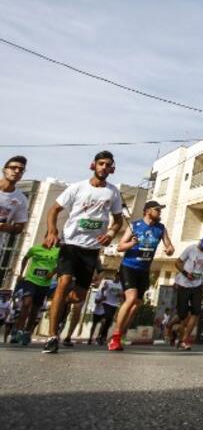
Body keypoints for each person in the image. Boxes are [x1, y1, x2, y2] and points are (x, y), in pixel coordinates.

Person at [42, 151, 124, 354]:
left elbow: (118, 220)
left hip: (92, 249)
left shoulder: (113, 193)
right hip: (70, 244)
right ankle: (53, 336)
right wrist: (52, 231)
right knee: (63, 282)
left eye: (108, 165)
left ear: (112, 169)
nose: (104, 167)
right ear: (93, 165)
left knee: (78, 296)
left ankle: (60, 306)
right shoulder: (77, 188)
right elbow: (53, 210)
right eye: (101, 164)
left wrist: (111, 233)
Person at [108, 200, 174, 351]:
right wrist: (131, 244)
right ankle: (116, 336)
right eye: (157, 209)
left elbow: (169, 245)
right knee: (131, 299)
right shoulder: (135, 226)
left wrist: (169, 249)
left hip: (144, 270)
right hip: (129, 267)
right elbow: (119, 247)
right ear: (148, 211)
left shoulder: (160, 228)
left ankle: (119, 333)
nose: (160, 212)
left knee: (136, 304)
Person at [14, 241, 60, 345]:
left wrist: (53, 273)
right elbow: (25, 258)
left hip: (44, 284)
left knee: (35, 309)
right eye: (48, 238)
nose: (50, 241)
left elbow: (62, 264)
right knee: (26, 303)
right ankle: (19, 330)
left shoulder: (57, 251)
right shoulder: (35, 248)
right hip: (31, 280)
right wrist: (21, 273)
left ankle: (27, 332)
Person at [174, 234, 203, 351]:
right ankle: (177, 333)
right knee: (182, 316)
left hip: (198, 284)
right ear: (200, 241)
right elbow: (177, 263)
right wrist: (186, 274)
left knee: (196, 312)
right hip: (184, 284)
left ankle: (184, 340)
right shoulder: (190, 249)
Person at [0, 156, 30, 287]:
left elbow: (19, 228)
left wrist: (5, 227)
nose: (17, 171)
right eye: (13, 168)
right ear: (4, 170)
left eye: (21, 170)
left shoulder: (21, 199)